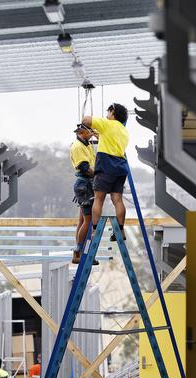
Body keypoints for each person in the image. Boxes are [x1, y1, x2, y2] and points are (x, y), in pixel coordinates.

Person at [81, 103, 129, 241]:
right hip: (120, 167)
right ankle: (120, 230)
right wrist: (100, 135)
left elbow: (86, 120)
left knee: (99, 199)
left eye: (109, 111)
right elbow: (112, 142)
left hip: (106, 166)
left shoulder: (107, 124)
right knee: (117, 200)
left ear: (113, 112)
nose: (107, 114)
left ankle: (95, 231)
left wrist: (96, 124)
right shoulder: (124, 131)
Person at [69, 124, 99, 265]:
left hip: (85, 185)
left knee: (82, 221)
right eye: (90, 131)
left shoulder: (86, 144)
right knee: (89, 221)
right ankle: (80, 252)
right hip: (84, 186)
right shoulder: (78, 146)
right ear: (82, 132)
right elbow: (85, 168)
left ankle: (81, 253)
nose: (92, 133)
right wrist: (101, 175)